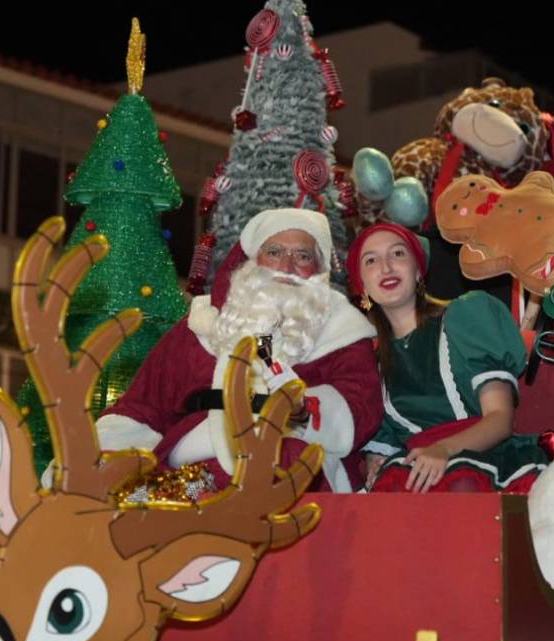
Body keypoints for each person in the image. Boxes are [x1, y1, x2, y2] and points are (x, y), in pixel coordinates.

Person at [93, 208, 382, 493]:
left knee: (286, 459)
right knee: (145, 494)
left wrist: (302, 410)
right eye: (274, 252)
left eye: (303, 256)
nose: (286, 266)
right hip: (193, 462)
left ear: (318, 271)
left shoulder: (343, 330)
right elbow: (144, 405)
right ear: (252, 261)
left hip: (292, 461)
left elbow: (361, 405)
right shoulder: (201, 325)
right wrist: (107, 455)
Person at [348, 222, 547, 493]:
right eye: (371, 261)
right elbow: (385, 441)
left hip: (484, 462)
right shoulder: (371, 363)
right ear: (362, 285)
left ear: (418, 270)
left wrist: (443, 450)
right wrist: (375, 459)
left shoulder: (467, 318)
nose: (386, 267)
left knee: (460, 484)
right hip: (416, 474)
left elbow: (501, 419)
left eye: (397, 254)